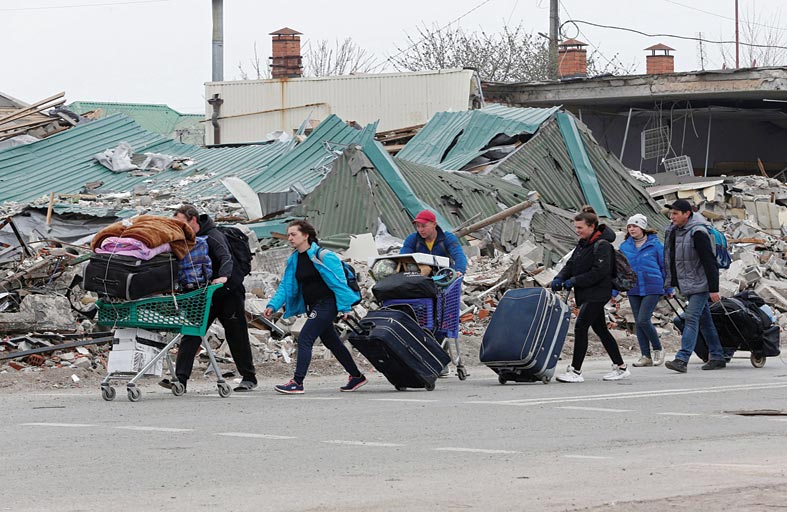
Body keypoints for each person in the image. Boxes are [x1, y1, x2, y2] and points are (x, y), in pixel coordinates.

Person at [264, 220, 367, 395]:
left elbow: (339, 284)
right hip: (313, 306)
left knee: (305, 338)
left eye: (293, 234)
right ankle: (356, 376)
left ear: (306, 236)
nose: (289, 238)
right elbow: (285, 286)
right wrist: (273, 305)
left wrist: (345, 309)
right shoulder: (294, 259)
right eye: (288, 235)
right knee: (331, 341)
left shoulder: (325, 256)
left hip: (327, 304)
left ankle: (297, 382)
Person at [164, 204, 258, 392]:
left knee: (236, 333)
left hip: (228, 292)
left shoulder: (214, 236)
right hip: (203, 294)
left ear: (193, 220)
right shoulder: (186, 239)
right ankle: (180, 379)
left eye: (182, 223)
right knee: (191, 333)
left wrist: (222, 277)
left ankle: (249, 377)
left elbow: (226, 258)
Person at [551, 210, 630, 383]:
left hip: (598, 293)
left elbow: (600, 272)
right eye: (576, 227)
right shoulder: (582, 244)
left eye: (580, 227)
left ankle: (576, 371)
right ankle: (621, 366)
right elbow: (571, 264)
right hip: (586, 293)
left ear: (591, 227)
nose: (577, 230)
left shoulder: (603, 245)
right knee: (601, 329)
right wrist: (559, 278)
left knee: (580, 327)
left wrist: (575, 281)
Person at [662, 199, 726, 373]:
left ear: (687, 214)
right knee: (705, 321)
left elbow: (709, 262)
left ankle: (682, 359)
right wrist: (670, 283)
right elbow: (672, 259)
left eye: (675, 213)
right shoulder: (676, 231)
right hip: (688, 284)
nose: (672, 217)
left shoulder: (698, 232)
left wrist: (714, 288)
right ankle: (717, 355)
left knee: (691, 318)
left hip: (701, 284)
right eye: (671, 213)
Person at [618, 214, 671, 367]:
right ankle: (645, 356)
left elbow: (664, 267)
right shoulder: (625, 246)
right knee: (638, 322)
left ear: (642, 228)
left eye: (635, 226)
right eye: (629, 226)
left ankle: (658, 349)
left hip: (652, 285)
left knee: (643, 319)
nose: (631, 229)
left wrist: (669, 287)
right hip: (633, 287)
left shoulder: (655, 245)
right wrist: (615, 292)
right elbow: (620, 270)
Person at [400, 210, 467, 275]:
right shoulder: (412, 239)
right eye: (418, 226)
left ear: (434, 224)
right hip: (422, 277)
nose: (420, 230)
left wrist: (459, 271)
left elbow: (459, 255)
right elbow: (403, 258)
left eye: (424, 226)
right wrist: (420, 265)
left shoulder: (447, 238)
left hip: (445, 275)